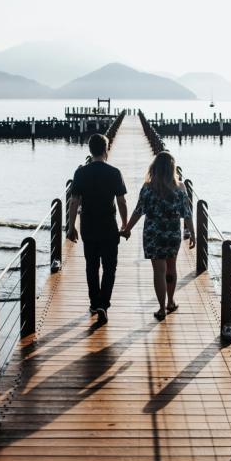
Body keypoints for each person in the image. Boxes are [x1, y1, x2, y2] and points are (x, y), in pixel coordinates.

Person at [121, 151, 195, 321]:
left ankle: (161, 309)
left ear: (154, 167)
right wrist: (192, 233)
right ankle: (171, 301)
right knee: (171, 268)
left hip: (153, 233)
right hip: (172, 233)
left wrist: (127, 229)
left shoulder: (148, 187)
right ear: (172, 168)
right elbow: (187, 213)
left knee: (159, 271)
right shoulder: (181, 187)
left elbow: (138, 211)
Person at [66, 133, 128, 324]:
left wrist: (71, 227)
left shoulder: (80, 173)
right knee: (110, 267)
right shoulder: (114, 172)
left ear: (90, 150)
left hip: (88, 226)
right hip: (108, 226)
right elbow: (121, 200)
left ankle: (94, 302)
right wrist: (125, 224)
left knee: (91, 266)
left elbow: (73, 202)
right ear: (106, 149)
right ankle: (103, 304)